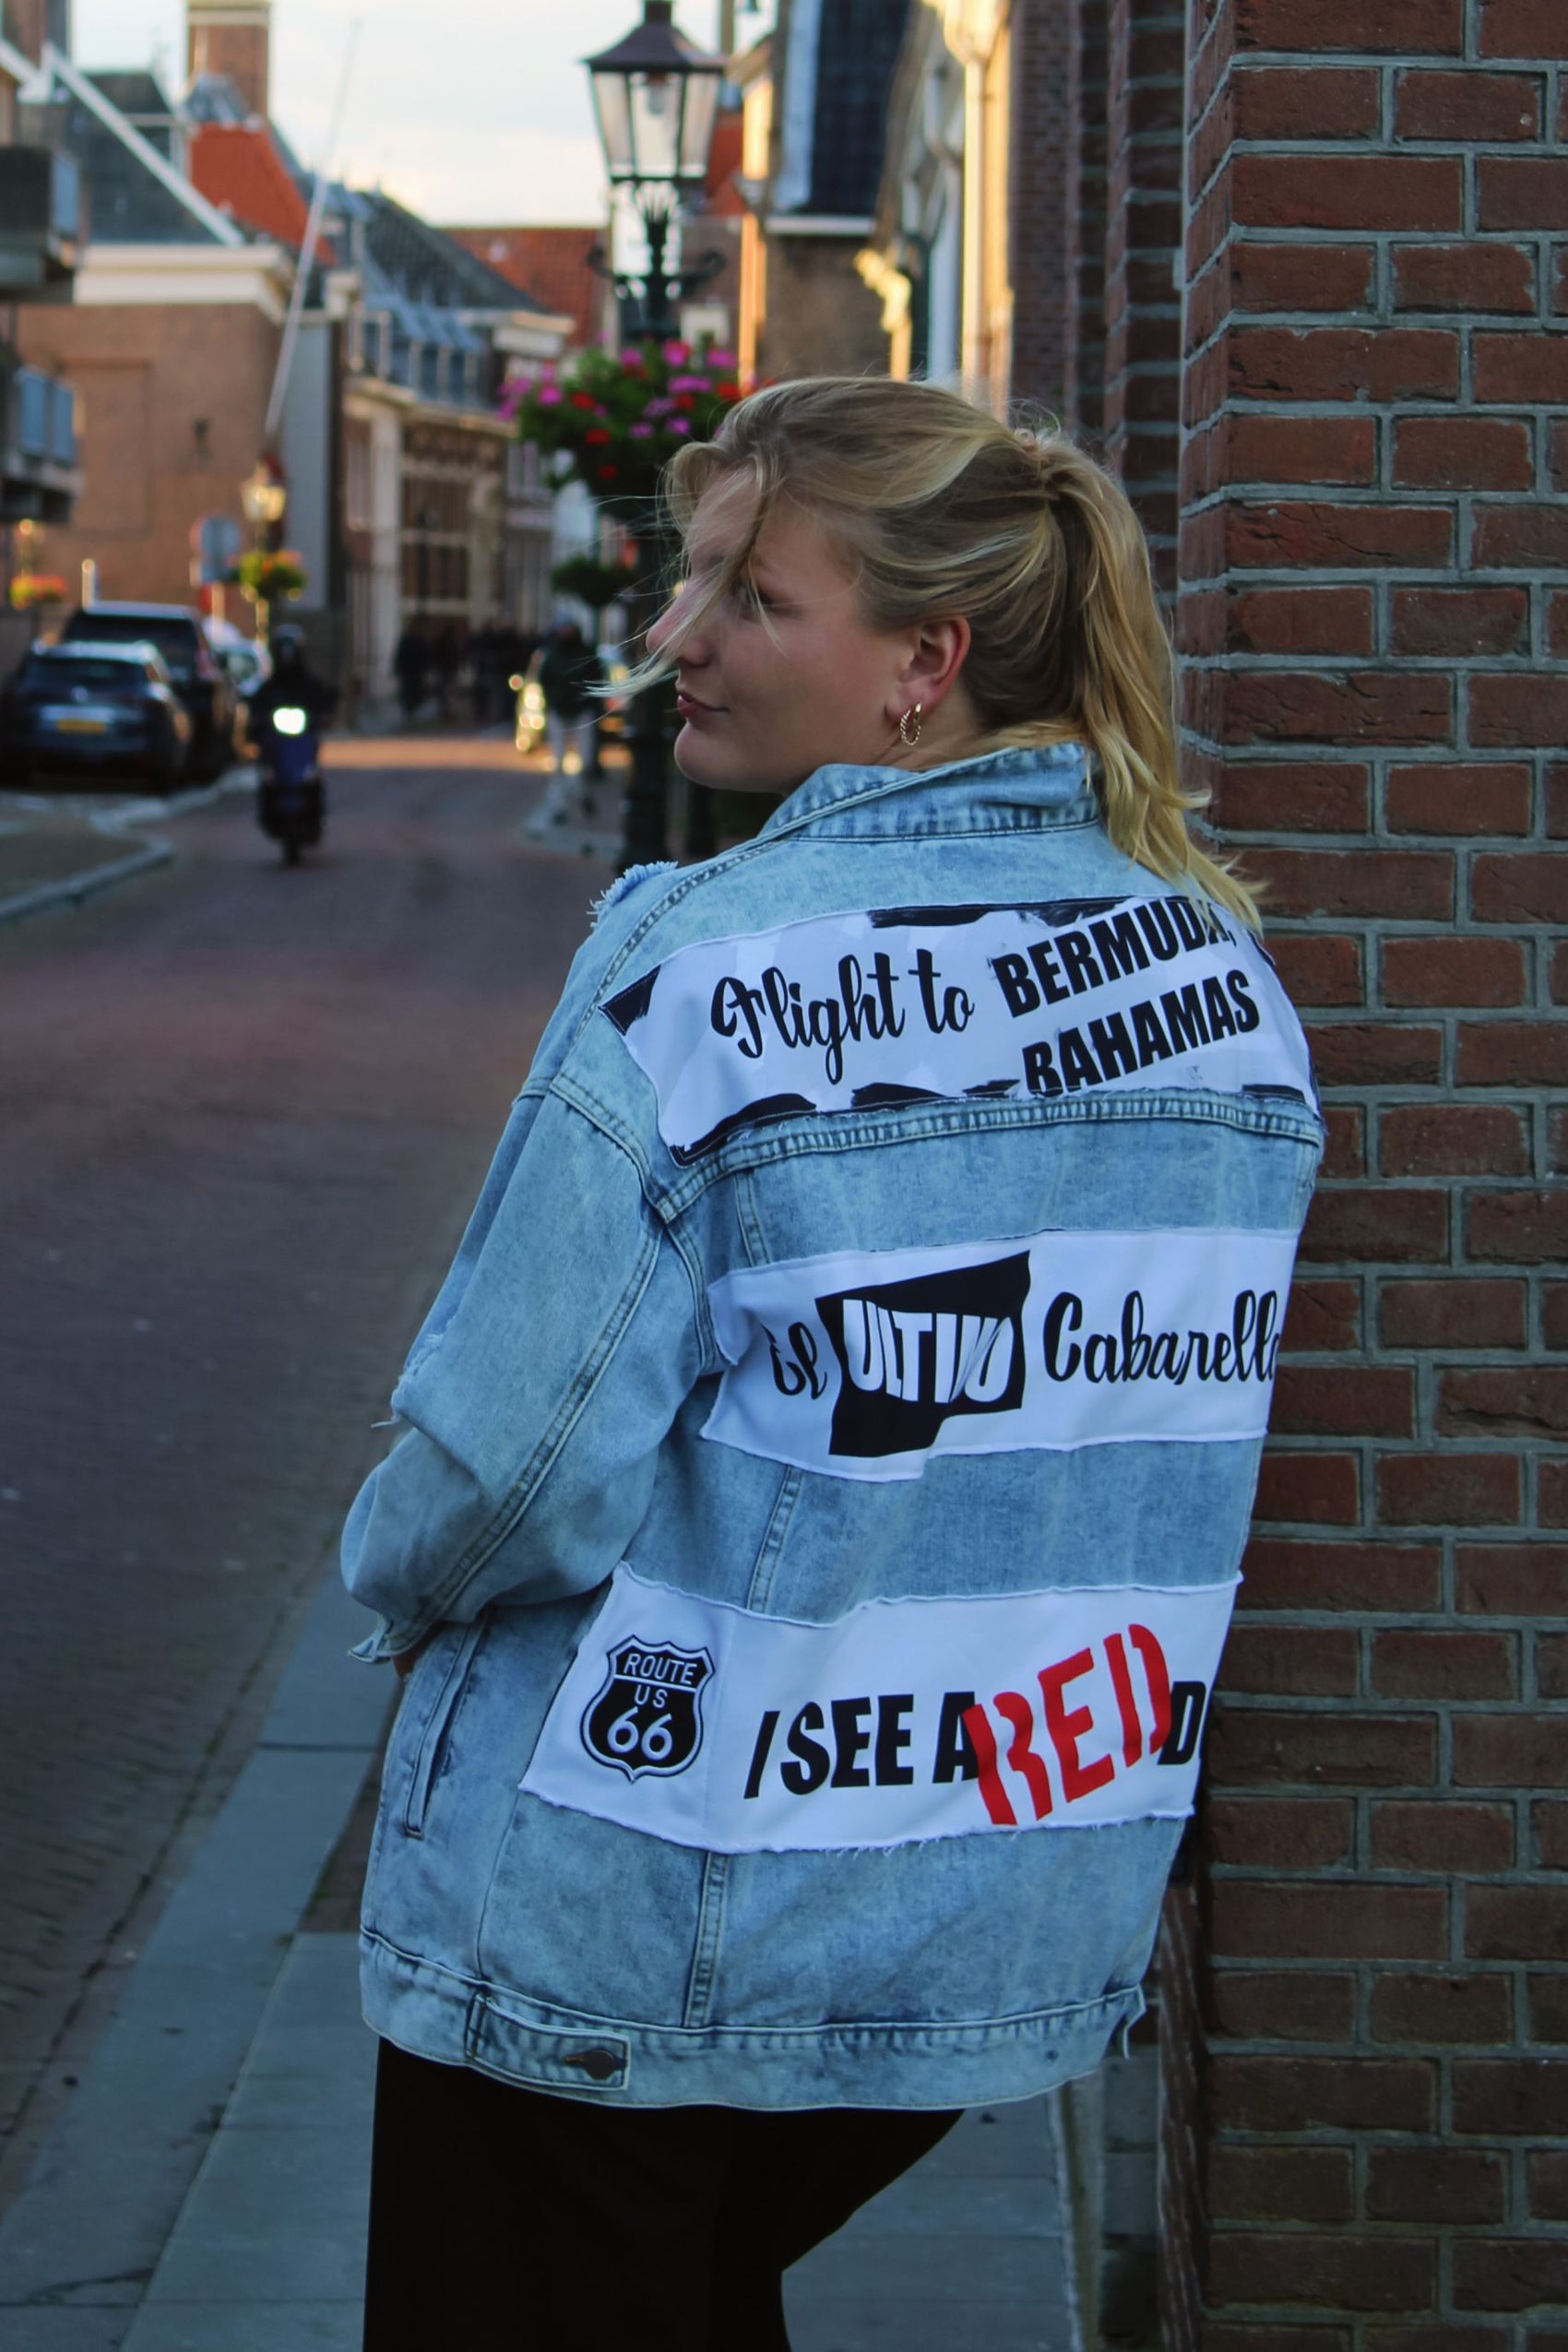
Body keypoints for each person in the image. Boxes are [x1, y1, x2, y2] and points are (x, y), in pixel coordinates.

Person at [341, 376, 1322, 2350]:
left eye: (750, 598)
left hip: (628, 1906)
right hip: (973, 1914)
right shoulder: (1224, 993)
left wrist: (390, 1580)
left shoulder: (708, 961)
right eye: (688, 579)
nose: (673, 640)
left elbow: (506, 1477)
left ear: (922, 665)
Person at [529, 617, 604, 828]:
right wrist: (551, 701)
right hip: (559, 711)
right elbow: (544, 679)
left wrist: (590, 704)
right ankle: (558, 805)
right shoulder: (552, 652)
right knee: (559, 760)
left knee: (585, 759)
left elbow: (597, 679)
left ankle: (581, 793)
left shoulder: (586, 652)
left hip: (582, 711)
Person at [391, 625, 426, 727]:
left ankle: (411, 709)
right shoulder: (412, 642)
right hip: (411, 672)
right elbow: (400, 656)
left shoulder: (412, 642)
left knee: (412, 691)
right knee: (410, 691)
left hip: (413, 672)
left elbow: (400, 656)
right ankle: (410, 710)